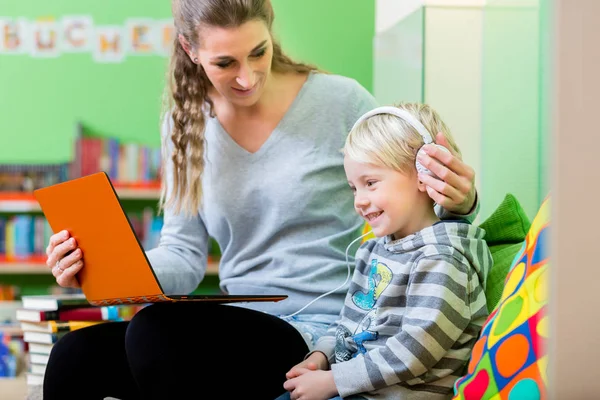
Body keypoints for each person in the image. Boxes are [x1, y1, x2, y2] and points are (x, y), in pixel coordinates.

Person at [42, 1, 479, 399]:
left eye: (258, 52)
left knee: (154, 332)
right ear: (190, 50)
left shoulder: (342, 100)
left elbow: (403, 193)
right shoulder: (185, 123)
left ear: (270, 26)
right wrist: (101, 265)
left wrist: (460, 201)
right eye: (224, 62)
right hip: (236, 325)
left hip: (321, 329)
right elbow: (183, 256)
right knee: (74, 354)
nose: (247, 77)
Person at [276, 103, 492, 400]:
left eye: (370, 183)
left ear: (424, 174)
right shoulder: (373, 250)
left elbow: (415, 350)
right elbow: (348, 324)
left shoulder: (442, 259)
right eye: (354, 188)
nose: (360, 201)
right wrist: (321, 357)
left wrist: (333, 381)